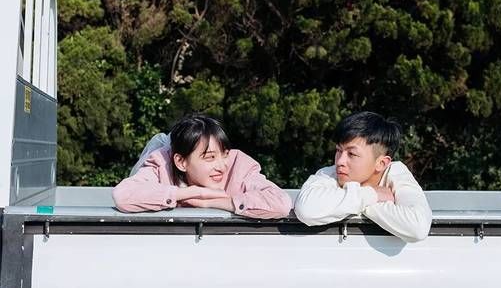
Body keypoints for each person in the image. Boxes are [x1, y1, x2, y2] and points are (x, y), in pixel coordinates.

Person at [112, 114, 292, 219]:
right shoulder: (162, 163)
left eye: (224, 154)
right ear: (181, 162)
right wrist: (193, 193)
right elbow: (123, 195)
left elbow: (281, 203)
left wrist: (216, 203)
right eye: (210, 158)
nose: (221, 166)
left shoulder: (238, 164)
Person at [294, 111, 432, 242]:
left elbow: (418, 228)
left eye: (352, 154)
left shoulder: (396, 173)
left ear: (381, 163)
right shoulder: (330, 173)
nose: (340, 161)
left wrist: (356, 201)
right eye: (338, 150)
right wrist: (372, 195)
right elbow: (306, 209)